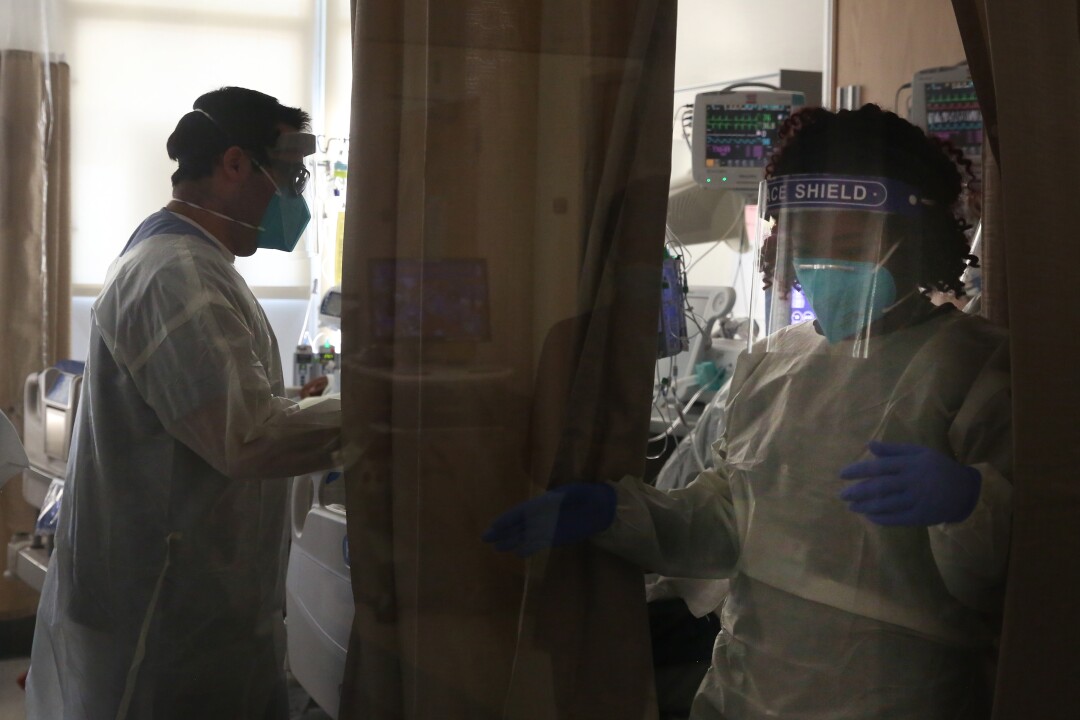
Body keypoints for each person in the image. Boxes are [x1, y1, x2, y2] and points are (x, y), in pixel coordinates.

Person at [484, 104, 1011, 719]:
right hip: (748, 685)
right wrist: (616, 512)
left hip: (895, 692)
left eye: (849, 245)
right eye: (806, 245)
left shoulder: (978, 368)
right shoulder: (774, 363)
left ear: (916, 241)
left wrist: (973, 504)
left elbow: (1021, 582)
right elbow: (726, 522)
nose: (823, 266)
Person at [26, 87, 342, 720]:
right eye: (289, 175)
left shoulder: (189, 261)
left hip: (192, 607)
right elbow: (245, 437)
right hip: (166, 626)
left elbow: (209, 407)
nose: (296, 198)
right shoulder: (177, 271)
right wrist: (382, 407)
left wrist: (288, 403)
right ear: (234, 164)